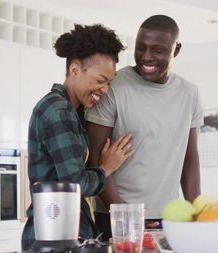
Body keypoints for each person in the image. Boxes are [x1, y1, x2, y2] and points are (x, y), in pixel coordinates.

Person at [85, 14, 204, 237]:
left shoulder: (190, 93)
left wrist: (196, 213)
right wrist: (126, 216)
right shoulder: (114, 86)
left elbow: (190, 157)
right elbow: (94, 159)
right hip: (115, 216)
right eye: (140, 48)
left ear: (176, 50)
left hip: (170, 218)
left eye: (158, 50)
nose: (146, 57)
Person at [21, 24, 134, 250]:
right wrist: (106, 167)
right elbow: (75, 184)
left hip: (66, 231)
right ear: (74, 70)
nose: (104, 90)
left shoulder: (74, 111)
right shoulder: (58, 111)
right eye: (101, 80)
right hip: (53, 235)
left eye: (109, 83)